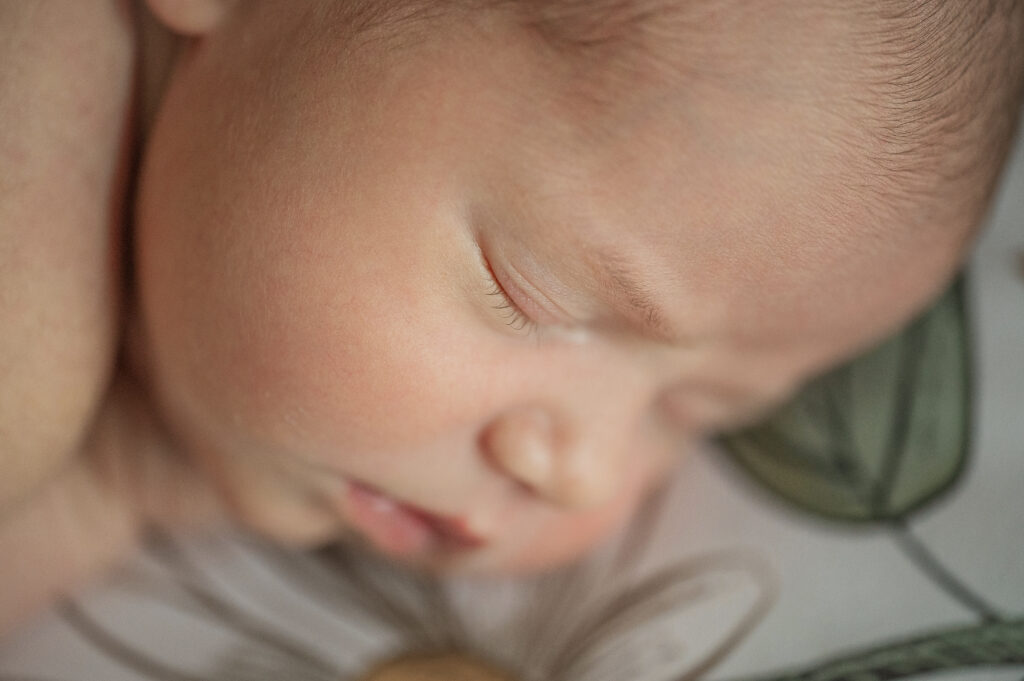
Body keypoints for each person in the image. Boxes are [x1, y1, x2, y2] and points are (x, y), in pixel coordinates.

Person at [1, 0, 1021, 634]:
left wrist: (119, 474)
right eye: (536, 296)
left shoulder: (165, 423)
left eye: (690, 417)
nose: (577, 471)